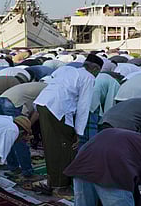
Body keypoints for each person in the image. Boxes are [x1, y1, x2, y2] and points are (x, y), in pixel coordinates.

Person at [33, 62, 97, 195]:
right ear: (96, 69)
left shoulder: (66, 69)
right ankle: (61, 186)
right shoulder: (89, 77)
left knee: (51, 145)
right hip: (57, 109)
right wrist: (78, 133)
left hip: (42, 103)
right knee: (67, 146)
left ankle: (52, 181)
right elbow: (83, 106)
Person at [0, 81, 47, 180]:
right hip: (12, 104)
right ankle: (28, 172)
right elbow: (37, 113)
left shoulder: (41, 86)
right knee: (20, 138)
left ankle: (13, 167)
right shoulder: (49, 91)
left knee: (8, 136)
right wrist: (27, 128)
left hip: (0, 101)